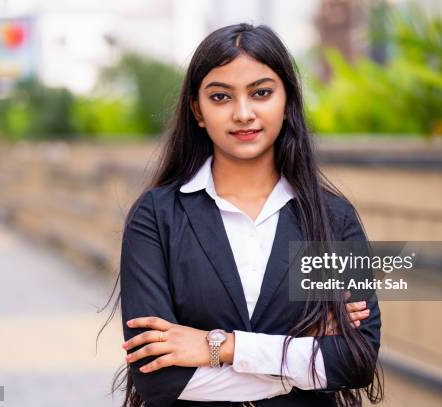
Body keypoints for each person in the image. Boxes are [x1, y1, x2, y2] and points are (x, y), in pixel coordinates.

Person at [116, 23, 382, 407]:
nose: (243, 113)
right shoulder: (157, 217)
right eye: (221, 97)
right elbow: (158, 378)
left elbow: (356, 361)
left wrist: (222, 347)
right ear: (198, 110)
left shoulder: (331, 219)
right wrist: (302, 358)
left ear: (287, 101)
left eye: (261, 93)